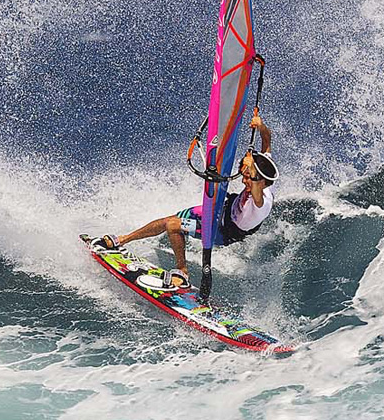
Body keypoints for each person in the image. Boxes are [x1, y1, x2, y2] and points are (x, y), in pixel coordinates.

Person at [92, 109, 277, 287]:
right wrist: (260, 127)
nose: (242, 175)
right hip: (221, 208)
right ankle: (123, 239)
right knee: (169, 220)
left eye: (247, 173)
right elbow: (267, 140)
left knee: (173, 225)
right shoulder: (264, 173)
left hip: (222, 231)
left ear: (258, 180)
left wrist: (250, 164)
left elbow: (255, 188)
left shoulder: (262, 203)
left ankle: (182, 271)